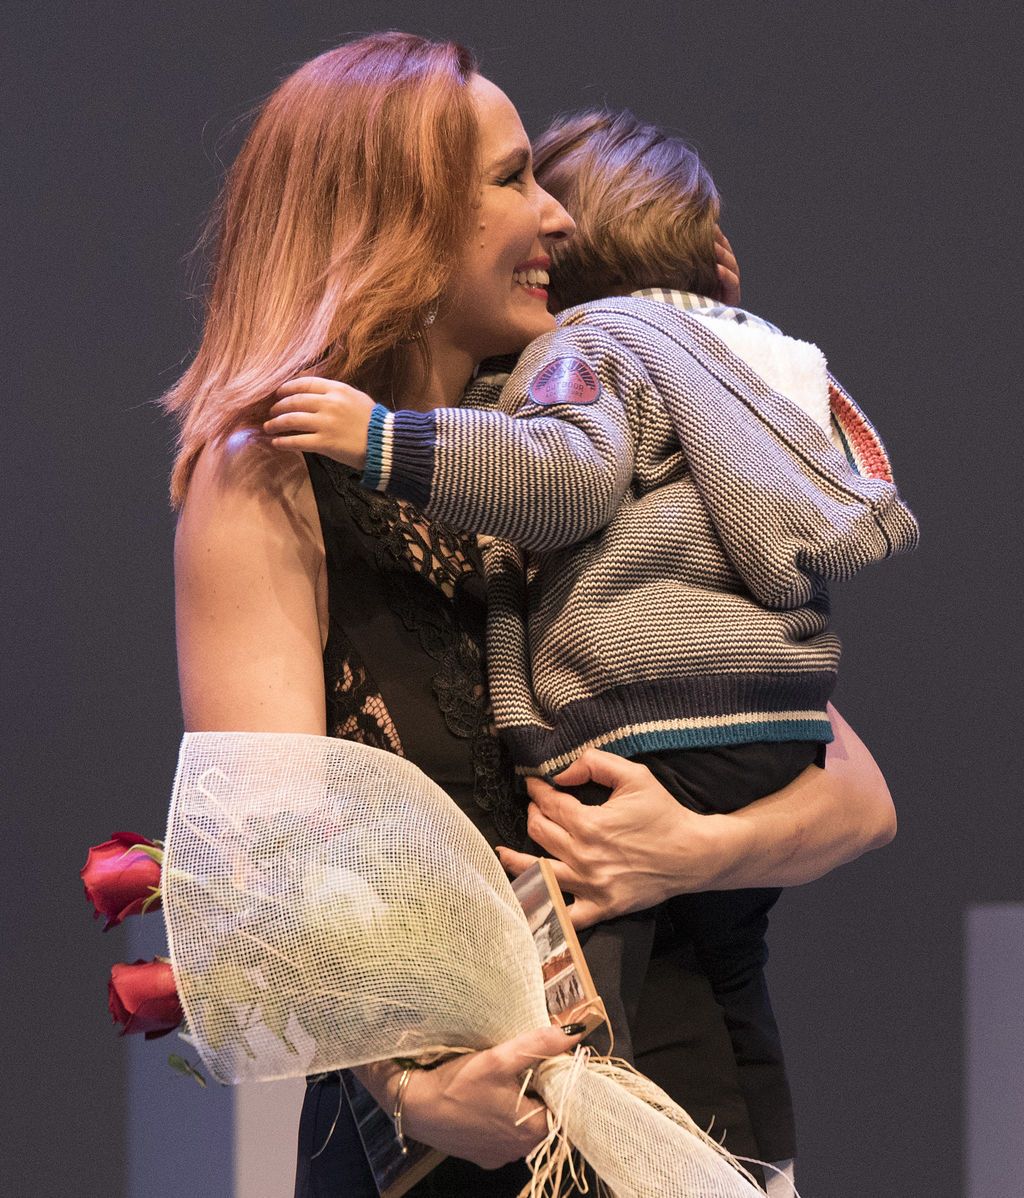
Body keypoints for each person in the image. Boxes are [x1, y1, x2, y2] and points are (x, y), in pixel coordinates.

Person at [166, 33, 898, 1197]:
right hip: (455, 1140)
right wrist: (412, 1090)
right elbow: (272, 856)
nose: (556, 218)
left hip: (697, 1106)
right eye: (511, 181)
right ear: (397, 217)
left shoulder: (586, 441)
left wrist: (687, 851)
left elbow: (855, 791)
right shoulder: (270, 475)